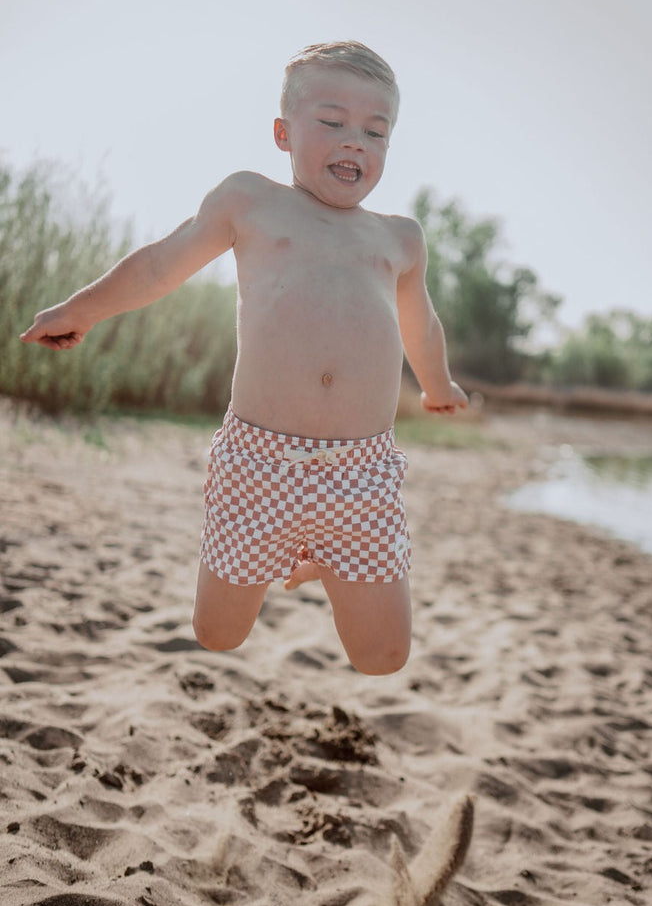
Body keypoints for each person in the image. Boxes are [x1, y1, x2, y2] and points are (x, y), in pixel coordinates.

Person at [20, 41, 468, 676]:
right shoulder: (251, 201)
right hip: (258, 462)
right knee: (218, 634)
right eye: (333, 121)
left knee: (384, 658)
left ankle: (321, 554)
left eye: (376, 130)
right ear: (283, 134)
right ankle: (302, 546)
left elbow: (419, 324)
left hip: (362, 472)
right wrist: (80, 310)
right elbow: (157, 265)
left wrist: (438, 384)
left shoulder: (399, 237)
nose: (355, 141)